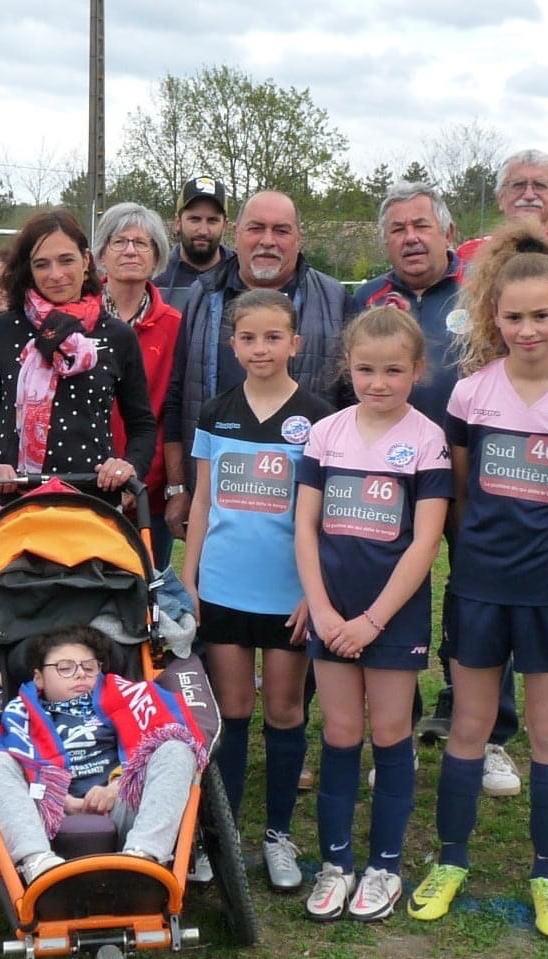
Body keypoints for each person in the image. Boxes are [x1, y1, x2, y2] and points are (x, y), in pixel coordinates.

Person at [413, 224, 548, 937]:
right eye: (513, 317)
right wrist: (476, 556)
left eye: (541, 315)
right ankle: (451, 860)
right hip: (480, 584)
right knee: (470, 725)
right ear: (491, 317)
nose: (527, 330)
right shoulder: (471, 394)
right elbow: (460, 492)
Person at [355, 182, 522, 795]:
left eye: (421, 225)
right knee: (388, 589)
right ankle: (398, 729)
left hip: (473, 470)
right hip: (390, 475)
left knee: (481, 594)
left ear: (448, 233)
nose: (410, 237)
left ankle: (490, 732)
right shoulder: (368, 298)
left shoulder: (482, 290)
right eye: (397, 228)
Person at [295, 306, 451, 922]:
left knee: (389, 734)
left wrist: (374, 621)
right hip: (332, 614)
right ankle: (335, 864)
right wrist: (322, 608)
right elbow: (305, 528)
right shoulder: (326, 433)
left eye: (393, 371)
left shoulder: (427, 439)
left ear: (416, 370)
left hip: (392, 617)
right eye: (365, 370)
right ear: (347, 367)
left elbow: (425, 542)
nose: (378, 383)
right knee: (339, 733)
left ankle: (384, 866)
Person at [181, 290, 332, 892]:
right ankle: (222, 834)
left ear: (295, 343)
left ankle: (278, 836)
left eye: (273, 337)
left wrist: (314, 593)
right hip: (223, 588)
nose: (260, 348)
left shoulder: (318, 418)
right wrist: (189, 578)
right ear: (233, 344)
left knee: (286, 711)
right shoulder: (215, 412)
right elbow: (201, 502)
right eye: (248, 338)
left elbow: (321, 519)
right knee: (233, 710)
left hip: (288, 594)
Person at [162, 190, 358, 539]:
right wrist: (178, 488)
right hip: (218, 500)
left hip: (304, 505)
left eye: (281, 230)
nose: (268, 240)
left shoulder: (335, 299)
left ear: (299, 237)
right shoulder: (203, 295)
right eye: (256, 228)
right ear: (236, 233)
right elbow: (178, 395)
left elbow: (353, 407)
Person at [0, 626, 210, 882]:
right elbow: (20, 772)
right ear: (39, 678)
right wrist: (59, 800)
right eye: (65, 668)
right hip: (45, 815)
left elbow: (148, 749)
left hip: (122, 804)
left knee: (176, 748)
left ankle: (144, 858)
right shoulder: (21, 716)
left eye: (89, 667)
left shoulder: (128, 700)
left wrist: (117, 787)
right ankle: (37, 862)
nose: (80, 674)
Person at [0, 208, 156, 502]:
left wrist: (129, 465)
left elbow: (142, 424)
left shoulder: (117, 336)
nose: (56, 275)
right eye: (42, 264)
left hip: (95, 502)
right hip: (19, 504)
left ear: (86, 261)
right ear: (28, 270)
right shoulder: (0, 332)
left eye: (66, 260)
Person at [95, 201, 184, 565]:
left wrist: (139, 474)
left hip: (148, 493)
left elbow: (171, 412)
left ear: (157, 256)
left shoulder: (175, 326)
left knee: (148, 588)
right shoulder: (75, 321)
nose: (130, 250)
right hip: (84, 483)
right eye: (120, 241)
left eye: (142, 243)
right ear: (101, 253)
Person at [454, 149, 548, 285]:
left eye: (540, 185)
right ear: (500, 198)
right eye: (518, 185)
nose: (529, 195)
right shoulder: (467, 253)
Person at [155, 176, 231, 305]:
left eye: (212, 220)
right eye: (195, 219)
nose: (203, 231)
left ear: (224, 225)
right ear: (178, 222)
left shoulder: (240, 275)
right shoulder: (155, 275)